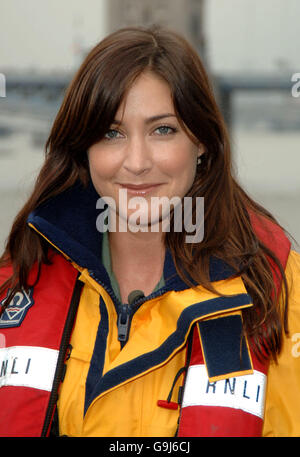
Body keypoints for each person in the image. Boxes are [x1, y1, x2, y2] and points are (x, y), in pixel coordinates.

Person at [0, 25, 299, 438]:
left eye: (163, 130)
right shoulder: (16, 283)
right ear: (83, 149)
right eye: (111, 133)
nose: (137, 162)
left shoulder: (281, 286)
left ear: (203, 142)